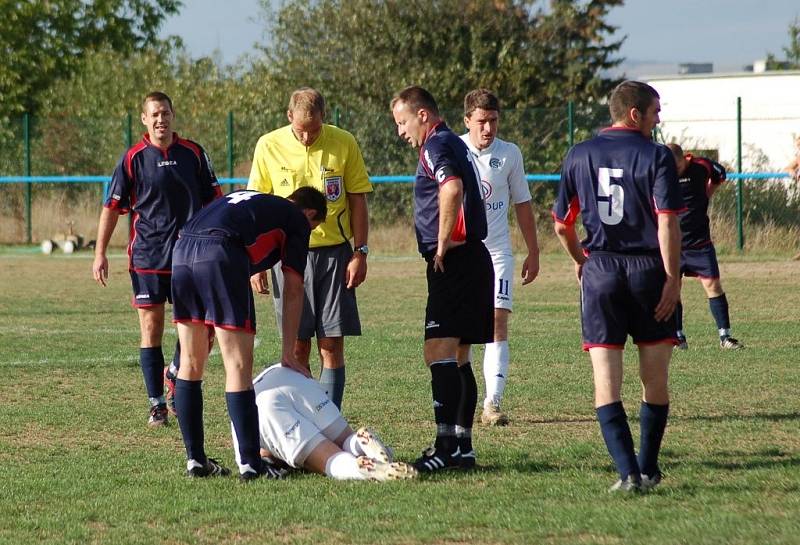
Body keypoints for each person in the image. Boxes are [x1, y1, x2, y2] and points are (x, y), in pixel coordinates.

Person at [552, 80, 685, 492]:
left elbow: (561, 225)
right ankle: (647, 468)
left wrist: (581, 261)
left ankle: (627, 474)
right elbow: (667, 221)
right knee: (655, 380)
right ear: (635, 114)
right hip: (648, 270)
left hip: (601, 271)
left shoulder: (579, 154)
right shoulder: (657, 156)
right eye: (654, 111)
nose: (658, 118)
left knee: (606, 381)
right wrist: (672, 278)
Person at [171, 187, 327, 480]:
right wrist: (288, 352)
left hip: (181, 249)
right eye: (314, 228)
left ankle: (195, 460)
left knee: (190, 364)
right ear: (309, 214)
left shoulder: (250, 196)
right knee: (238, 365)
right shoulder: (296, 219)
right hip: (221, 252)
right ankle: (251, 464)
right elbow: (294, 288)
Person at [91, 91, 222, 427]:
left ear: (172, 115)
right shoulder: (133, 157)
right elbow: (112, 207)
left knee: (195, 330)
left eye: (165, 113)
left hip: (189, 257)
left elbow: (215, 200)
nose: (161, 119)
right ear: (144, 119)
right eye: (155, 114)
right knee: (152, 328)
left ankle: (175, 375)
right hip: (147, 257)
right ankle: (157, 405)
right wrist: (100, 252)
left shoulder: (193, 153)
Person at [247, 87, 372, 410]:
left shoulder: (343, 142)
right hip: (286, 256)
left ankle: (330, 419)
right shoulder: (268, 144)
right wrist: (257, 263)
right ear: (289, 117)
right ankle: (302, 420)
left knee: (331, 345)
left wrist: (361, 252)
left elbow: (358, 199)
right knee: (297, 346)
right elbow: (257, 206)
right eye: (301, 130)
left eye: (314, 130)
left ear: (323, 119)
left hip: (334, 255)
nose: (307, 137)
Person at [390, 86, 494, 472]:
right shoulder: (454, 142)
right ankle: (463, 449)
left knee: (437, 353)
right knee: (459, 355)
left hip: (455, 261)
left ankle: (445, 447)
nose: (401, 131)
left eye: (402, 122)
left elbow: (451, 187)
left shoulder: (436, 145)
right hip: (474, 260)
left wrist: (442, 242)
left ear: (422, 115)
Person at [460, 89, 540, 426]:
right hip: (462, 255)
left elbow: (522, 203)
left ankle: (492, 404)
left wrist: (533, 250)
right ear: (467, 121)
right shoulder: (453, 149)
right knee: (461, 331)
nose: (488, 128)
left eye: (493, 120)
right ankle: (460, 401)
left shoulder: (510, 154)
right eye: (481, 121)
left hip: (497, 253)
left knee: (497, 322)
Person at [251, 364, 417, 481]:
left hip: (263, 403)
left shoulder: (243, 403)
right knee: (344, 438)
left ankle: (363, 470)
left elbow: (256, 456)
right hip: (291, 376)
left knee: (329, 458)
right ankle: (359, 443)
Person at [667, 143, 744, 350]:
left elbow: (720, 174)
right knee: (673, 289)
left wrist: (706, 194)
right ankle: (678, 337)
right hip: (672, 245)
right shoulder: (662, 170)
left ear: (684, 159)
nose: (672, 170)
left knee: (713, 286)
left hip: (700, 243)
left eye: (675, 166)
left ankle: (725, 337)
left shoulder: (701, 166)